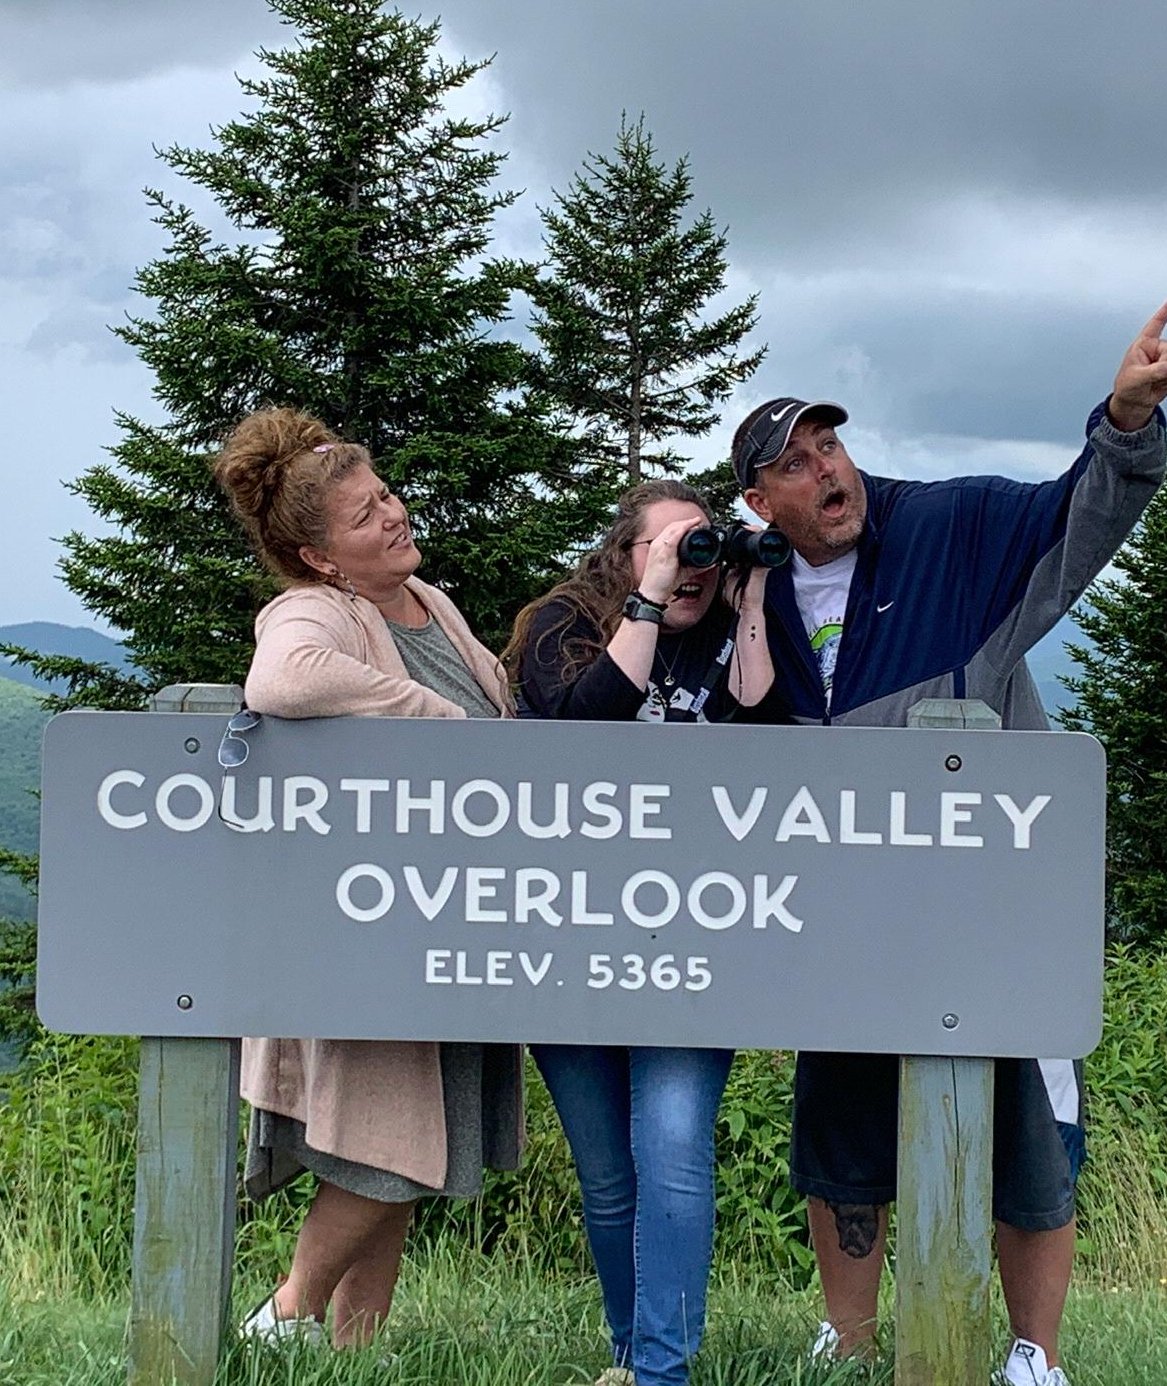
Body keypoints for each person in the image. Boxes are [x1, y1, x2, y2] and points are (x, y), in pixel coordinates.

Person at [731, 297, 1167, 1386]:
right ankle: (847, 1345)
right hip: (845, 919)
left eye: (830, 445)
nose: (827, 470)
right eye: (795, 463)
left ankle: (1034, 1357)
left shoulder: (949, 527)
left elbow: (1080, 517)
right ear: (759, 500)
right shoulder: (751, 593)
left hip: (997, 910)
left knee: (1029, 1137)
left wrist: (1125, 420)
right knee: (843, 1134)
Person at [214, 405, 522, 1350]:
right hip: (375, 930)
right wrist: (430, 715)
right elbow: (281, 681)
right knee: (392, 1146)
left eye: (384, 494)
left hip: (452, 919)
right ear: (320, 558)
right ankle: (285, 1318)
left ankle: (355, 1356)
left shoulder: (430, 602)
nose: (392, 515)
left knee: (400, 1145)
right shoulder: (315, 610)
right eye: (364, 515)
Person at [504, 479, 775, 1386]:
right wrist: (649, 603)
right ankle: (629, 1353)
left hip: (689, 940)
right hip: (566, 940)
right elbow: (585, 729)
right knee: (609, 1176)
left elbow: (765, 728)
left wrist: (752, 602)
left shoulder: (727, 629)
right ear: (624, 554)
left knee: (673, 1155)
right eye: (668, 546)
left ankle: (663, 1370)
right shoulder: (561, 623)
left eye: (703, 545)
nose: (689, 563)